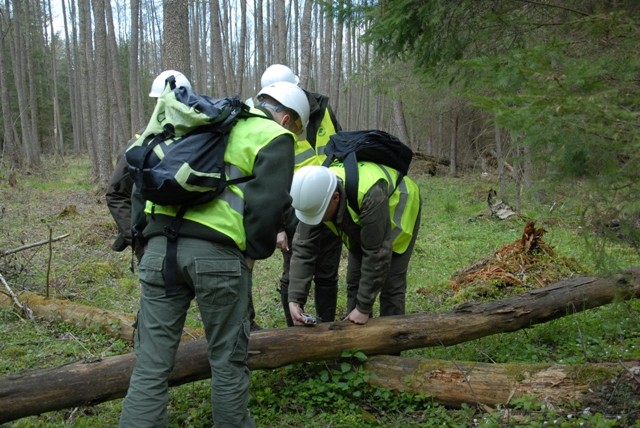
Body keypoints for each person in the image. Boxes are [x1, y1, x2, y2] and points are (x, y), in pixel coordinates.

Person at [118, 81, 310, 428]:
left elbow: (137, 183)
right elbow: (269, 206)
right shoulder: (270, 134)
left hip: (160, 250)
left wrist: (145, 243)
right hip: (219, 258)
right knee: (227, 362)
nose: (293, 131)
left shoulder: (194, 120)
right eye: (295, 125)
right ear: (286, 117)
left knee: (150, 365)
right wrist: (252, 254)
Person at [256, 64, 343, 327]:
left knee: (327, 272)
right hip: (295, 207)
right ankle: (294, 328)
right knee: (294, 270)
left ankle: (327, 328)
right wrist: (279, 226)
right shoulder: (264, 122)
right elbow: (269, 178)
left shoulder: (322, 109)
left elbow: (340, 146)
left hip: (330, 198)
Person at [287, 164, 422, 326]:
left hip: (400, 207)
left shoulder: (370, 194)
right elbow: (303, 248)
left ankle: (392, 343)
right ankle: (357, 344)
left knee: (391, 286)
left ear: (335, 197)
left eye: (319, 214)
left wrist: (363, 307)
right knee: (355, 280)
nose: (317, 220)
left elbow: (377, 252)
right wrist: (295, 298)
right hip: (361, 217)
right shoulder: (314, 197)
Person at [106, 70, 192, 264]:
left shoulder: (202, 140)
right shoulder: (139, 143)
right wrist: (136, 239)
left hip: (194, 244)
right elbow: (116, 194)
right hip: (153, 244)